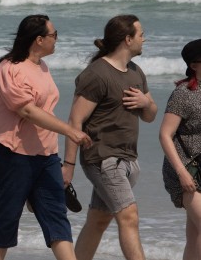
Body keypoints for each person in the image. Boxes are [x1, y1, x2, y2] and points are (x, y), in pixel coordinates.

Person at [0, 14, 93, 260]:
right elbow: (26, 110)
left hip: (45, 155)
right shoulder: (8, 69)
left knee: (56, 215)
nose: (57, 40)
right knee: (7, 215)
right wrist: (70, 131)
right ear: (39, 39)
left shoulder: (42, 66)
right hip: (11, 152)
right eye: (54, 35)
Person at [63, 14, 158, 260]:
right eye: (141, 34)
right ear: (127, 39)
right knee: (129, 216)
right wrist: (69, 166)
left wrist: (145, 102)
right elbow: (75, 121)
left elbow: (150, 115)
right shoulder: (97, 74)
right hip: (104, 158)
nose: (144, 39)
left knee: (98, 220)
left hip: (127, 158)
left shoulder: (136, 71)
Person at [159, 39, 201, 259]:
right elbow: (165, 134)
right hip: (187, 169)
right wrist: (181, 172)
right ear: (194, 65)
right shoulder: (183, 94)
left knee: (195, 235)